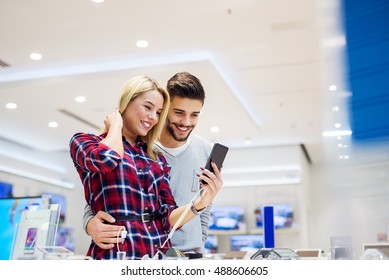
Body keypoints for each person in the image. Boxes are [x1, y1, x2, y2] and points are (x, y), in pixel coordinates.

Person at [70, 75, 222, 260]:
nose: (153, 117)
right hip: (116, 253)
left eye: (158, 112)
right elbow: (105, 166)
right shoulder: (86, 142)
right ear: (125, 103)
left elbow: (166, 217)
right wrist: (116, 126)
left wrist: (202, 203)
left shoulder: (155, 158)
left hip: (161, 256)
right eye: (148, 107)